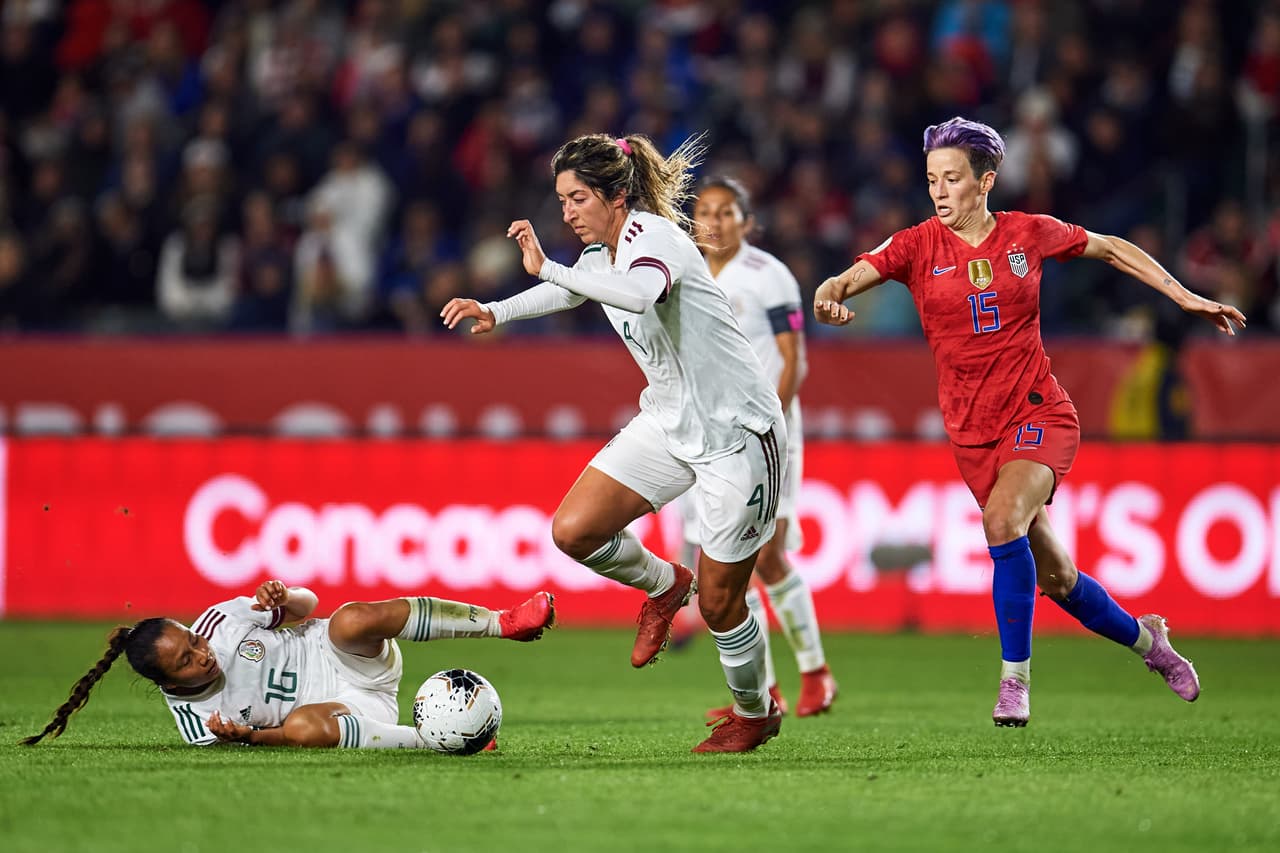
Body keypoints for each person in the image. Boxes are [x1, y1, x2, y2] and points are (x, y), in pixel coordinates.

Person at [813, 116, 1245, 727]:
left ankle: (1014, 682)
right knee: (1061, 577)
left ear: (985, 181)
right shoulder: (914, 246)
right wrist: (828, 298)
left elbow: (1113, 248)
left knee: (1000, 518)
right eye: (933, 179)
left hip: (1039, 411)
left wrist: (1185, 296)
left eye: (953, 179)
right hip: (971, 434)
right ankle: (1152, 645)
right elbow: (842, 279)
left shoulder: (1027, 235)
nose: (939, 191)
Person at [441, 133, 788, 753]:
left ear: (616, 194)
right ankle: (661, 584)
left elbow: (637, 292)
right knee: (573, 530)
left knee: (719, 604)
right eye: (562, 200)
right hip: (670, 422)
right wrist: (498, 310)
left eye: (577, 199)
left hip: (739, 435)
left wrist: (548, 266)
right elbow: (573, 287)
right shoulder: (602, 252)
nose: (568, 212)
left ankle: (754, 711)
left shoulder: (654, 240)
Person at [23, 580, 555, 748]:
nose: (203, 653)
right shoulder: (195, 728)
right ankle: (449, 741)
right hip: (350, 710)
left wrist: (284, 597)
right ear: (166, 684)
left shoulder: (219, 622)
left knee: (348, 618)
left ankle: (504, 622)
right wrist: (251, 739)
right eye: (187, 661)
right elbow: (278, 734)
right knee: (298, 727)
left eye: (192, 641)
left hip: (347, 655)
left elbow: (309, 605)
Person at [683, 176, 837, 719]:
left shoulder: (769, 276)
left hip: (769, 437)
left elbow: (793, 359)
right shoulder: (684, 271)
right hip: (712, 439)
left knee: (769, 555)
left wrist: (766, 424)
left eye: (727, 212)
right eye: (706, 211)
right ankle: (764, 692)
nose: (716, 221)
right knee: (729, 564)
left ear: (747, 222)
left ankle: (816, 673)